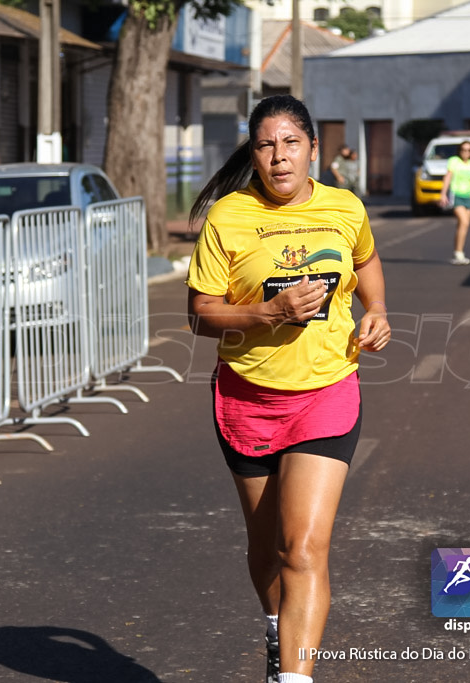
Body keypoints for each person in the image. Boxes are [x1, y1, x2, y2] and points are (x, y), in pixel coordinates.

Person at [185, 94, 391, 683]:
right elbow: (200, 315)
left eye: (291, 143)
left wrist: (376, 308)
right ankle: (278, 627)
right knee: (268, 548)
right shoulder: (229, 216)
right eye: (266, 145)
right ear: (254, 154)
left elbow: (367, 259)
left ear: (313, 149)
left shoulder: (344, 207)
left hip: (326, 392)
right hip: (248, 399)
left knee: (302, 548)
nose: (279, 157)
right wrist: (267, 312)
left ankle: (293, 677)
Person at [438, 140, 470, 265]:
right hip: (456, 195)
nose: (466, 152)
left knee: (464, 226)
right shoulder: (454, 161)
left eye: (469, 150)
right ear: (459, 151)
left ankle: (458, 251)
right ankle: (458, 253)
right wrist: (443, 194)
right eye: (464, 150)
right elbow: (448, 177)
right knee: (463, 222)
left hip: (468, 196)